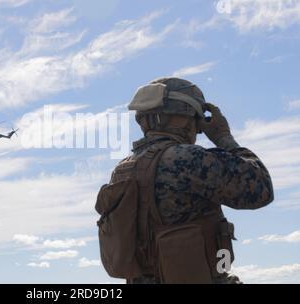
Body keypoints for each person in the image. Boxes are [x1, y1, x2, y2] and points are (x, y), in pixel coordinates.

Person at [99, 77, 274, 284]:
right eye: (196, 121)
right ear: (181, 116)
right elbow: (261, 189)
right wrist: (224, 138)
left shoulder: (122, 170)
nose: (197, 130)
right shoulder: (186, 158)